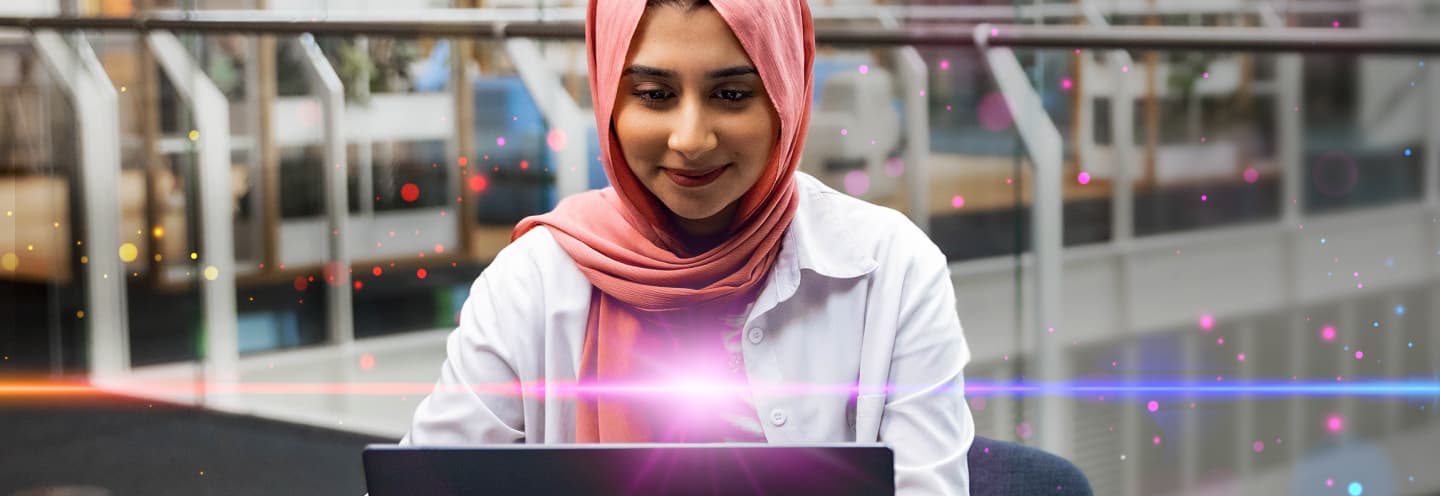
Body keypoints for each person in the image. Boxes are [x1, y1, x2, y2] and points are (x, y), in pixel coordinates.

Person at [402, 0, 974, 493]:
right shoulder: (533, 279)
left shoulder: (894, 270)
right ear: (609, 98)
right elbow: (429, 482)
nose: (691, 139)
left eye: (731, 94)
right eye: (654, 94)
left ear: (786, 96)